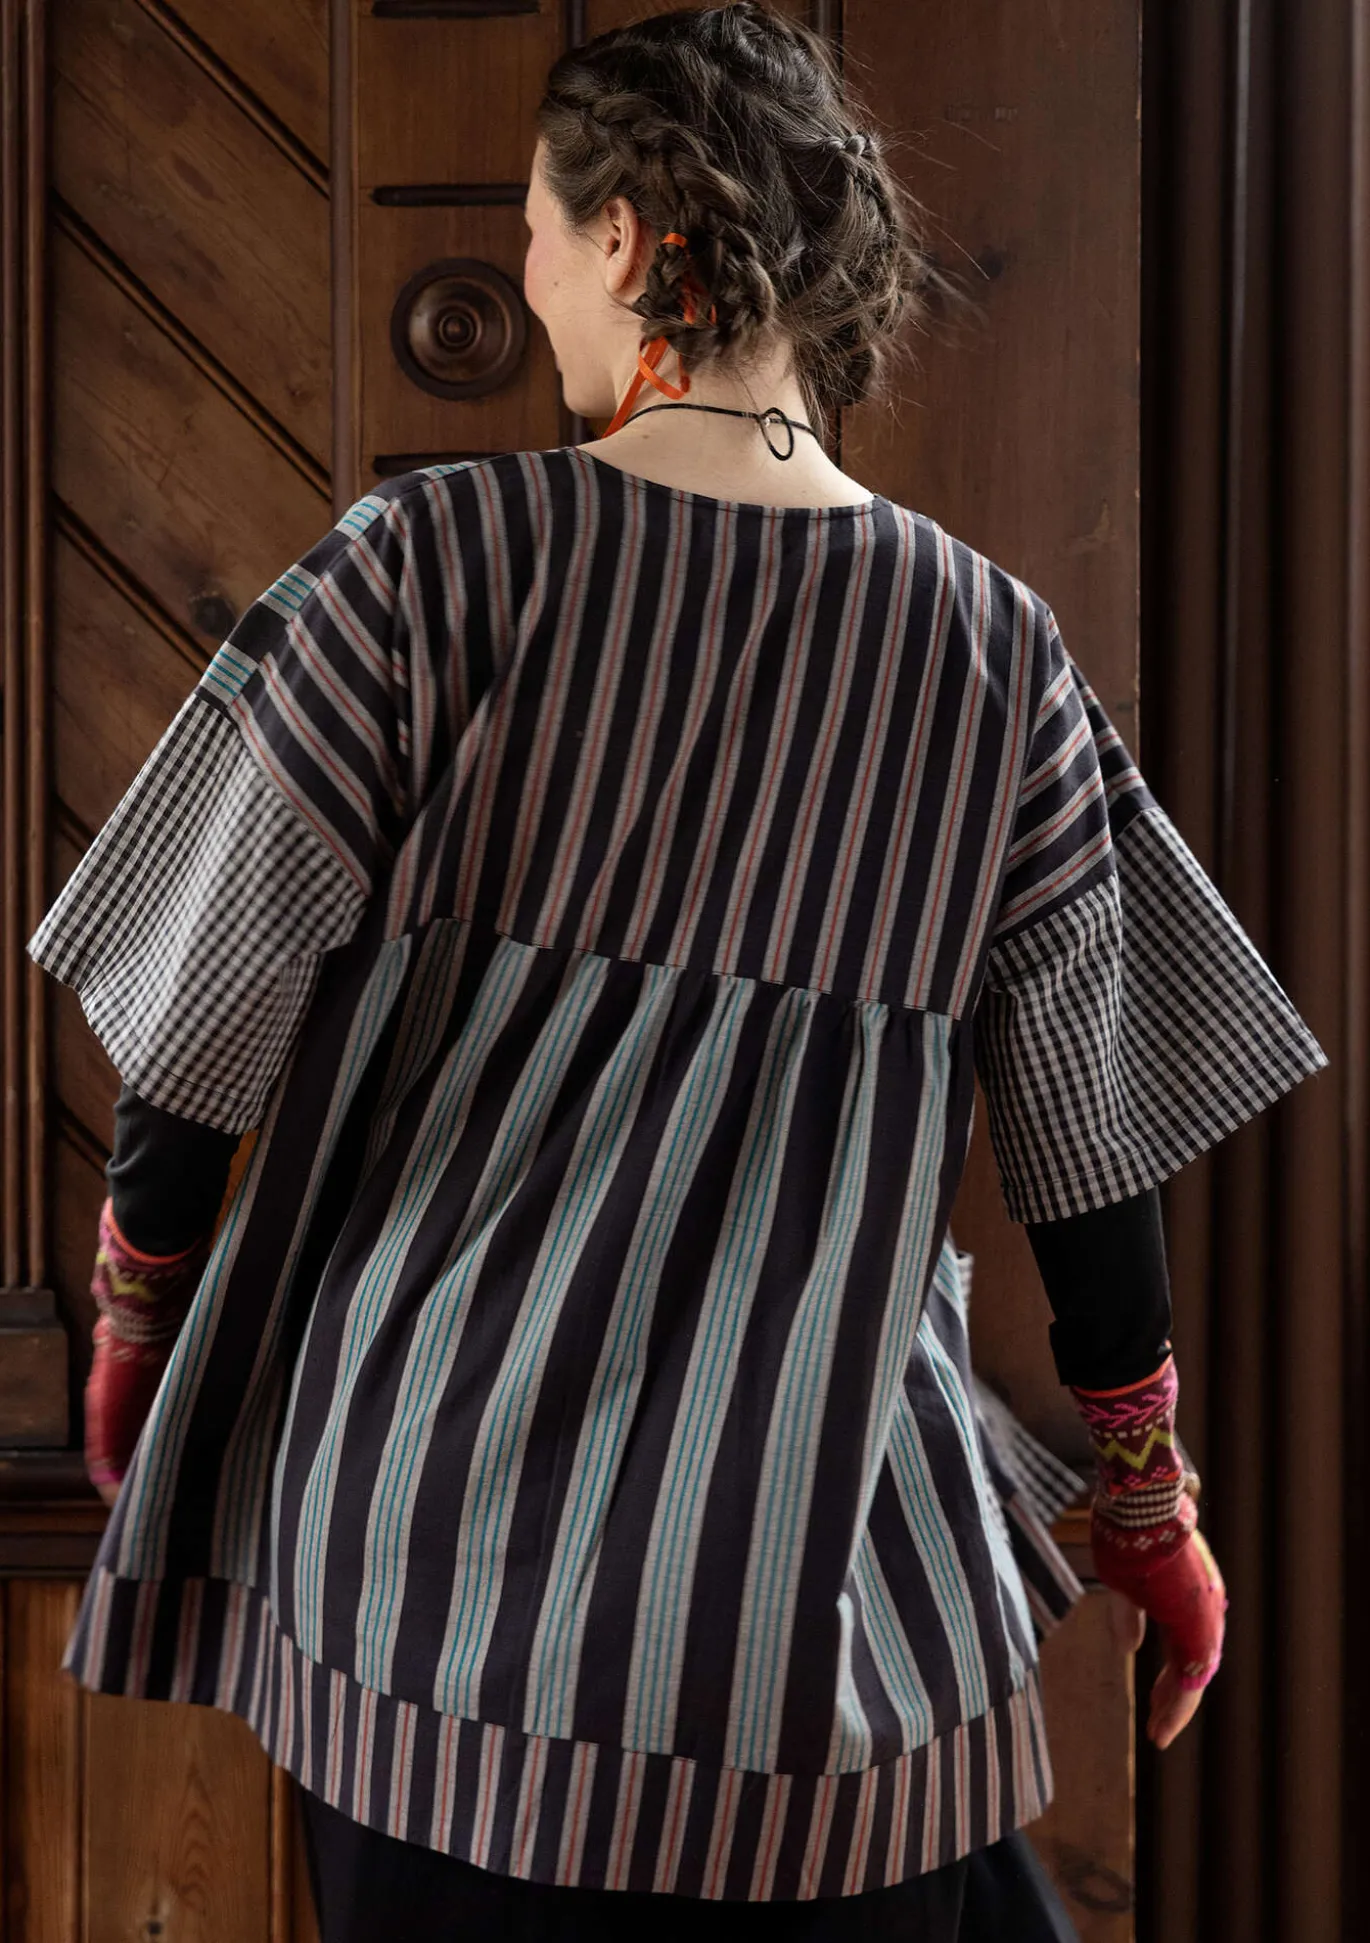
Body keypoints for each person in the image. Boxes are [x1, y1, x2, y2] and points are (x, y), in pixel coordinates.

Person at [26, 6, 1326, 1938]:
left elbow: (201, 1027)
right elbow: (1090, 1159)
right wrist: (1146, 1499)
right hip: (802, 1604)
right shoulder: (994, 651)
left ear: (628, 236)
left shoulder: (425, 562)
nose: (535, 278)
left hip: (426, 1577)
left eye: (538, 231)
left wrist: (136, 1318)